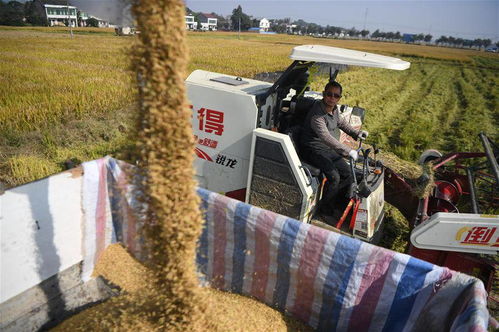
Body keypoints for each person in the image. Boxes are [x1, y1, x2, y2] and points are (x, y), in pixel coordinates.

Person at [300, 81, 368, 216]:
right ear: (324, 94)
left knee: (348, 172)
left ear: (339, 98)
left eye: (336, 96)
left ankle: (335, 200)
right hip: (312, 149)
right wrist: (348, 151)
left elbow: (342, 123)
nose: (332, 98)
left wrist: (356, 133)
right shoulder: (317, 115)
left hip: (326, 149)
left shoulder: (334, 109)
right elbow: (326, 137)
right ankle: (323, 208)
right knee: (335, 177)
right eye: (329, 94)